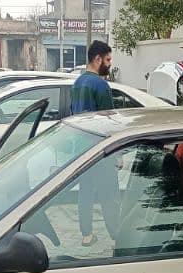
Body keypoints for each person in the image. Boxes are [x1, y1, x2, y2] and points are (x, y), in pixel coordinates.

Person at [71, 40, 116, 246]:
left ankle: (86, 235)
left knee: (85, 193)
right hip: (101, 151)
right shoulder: (100, 85)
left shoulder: (78, 83)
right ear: (97, 59)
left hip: (81, 149)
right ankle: (116, 235)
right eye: (107, 59)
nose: (109, 64)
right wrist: (118, 155)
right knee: (109, 196)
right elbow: (110, 121)